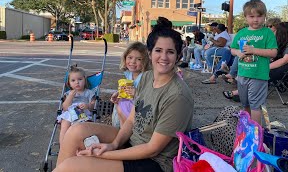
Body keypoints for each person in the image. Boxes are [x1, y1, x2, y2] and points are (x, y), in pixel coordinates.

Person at [53, 16, 194, 172]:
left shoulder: (178, 96)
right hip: (133, 141)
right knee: (75, 131)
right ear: (150, 53)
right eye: (158, 50)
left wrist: (101, 154)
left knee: (72, 166)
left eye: (171, 52)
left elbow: (152, 149)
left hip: (155, 162)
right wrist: (114, 144)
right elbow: (132, 119)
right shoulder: (147, 78)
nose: (164, 57)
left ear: (178, 56)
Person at [230, 0, 278, 124]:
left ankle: (256, 133)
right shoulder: (241, 33)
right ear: (246, 17)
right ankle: (246, 127)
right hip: (242, 75)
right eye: (252, 16)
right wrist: (238, 53)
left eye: (259, 16)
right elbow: (232, 49)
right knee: (245, 103)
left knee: (256, 106)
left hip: (258, 75)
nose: (255, 19)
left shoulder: (267, 33)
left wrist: (253, 50)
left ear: (264, 17)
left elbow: (273, 52)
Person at [110, 42, 150, 128]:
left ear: (145, 62)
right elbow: (126, 89)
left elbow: (148, 96)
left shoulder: (145, 76)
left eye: (139, 59)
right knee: (119, 103)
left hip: (140, 107)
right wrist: (119, 93)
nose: (133, 62)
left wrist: (136, 93)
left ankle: (126, 132)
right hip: (131, 103)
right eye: (130, 57)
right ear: (125, 58)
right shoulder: (128, 74)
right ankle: (122, 130)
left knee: (122, 105)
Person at [57, 65, 96, 144]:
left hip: (82, 114)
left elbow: (93, 105)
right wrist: (70, 96)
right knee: (64, 124)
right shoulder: (68, 93)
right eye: (73, 80)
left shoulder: (89, 92)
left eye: (80, 79)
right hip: (69, 113)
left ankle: (80, 144)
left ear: (85, 80)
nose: (77, 82)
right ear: (69, 83)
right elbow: (65, 107)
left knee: (82, 128)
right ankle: (63, 146)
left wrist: (88, 106)